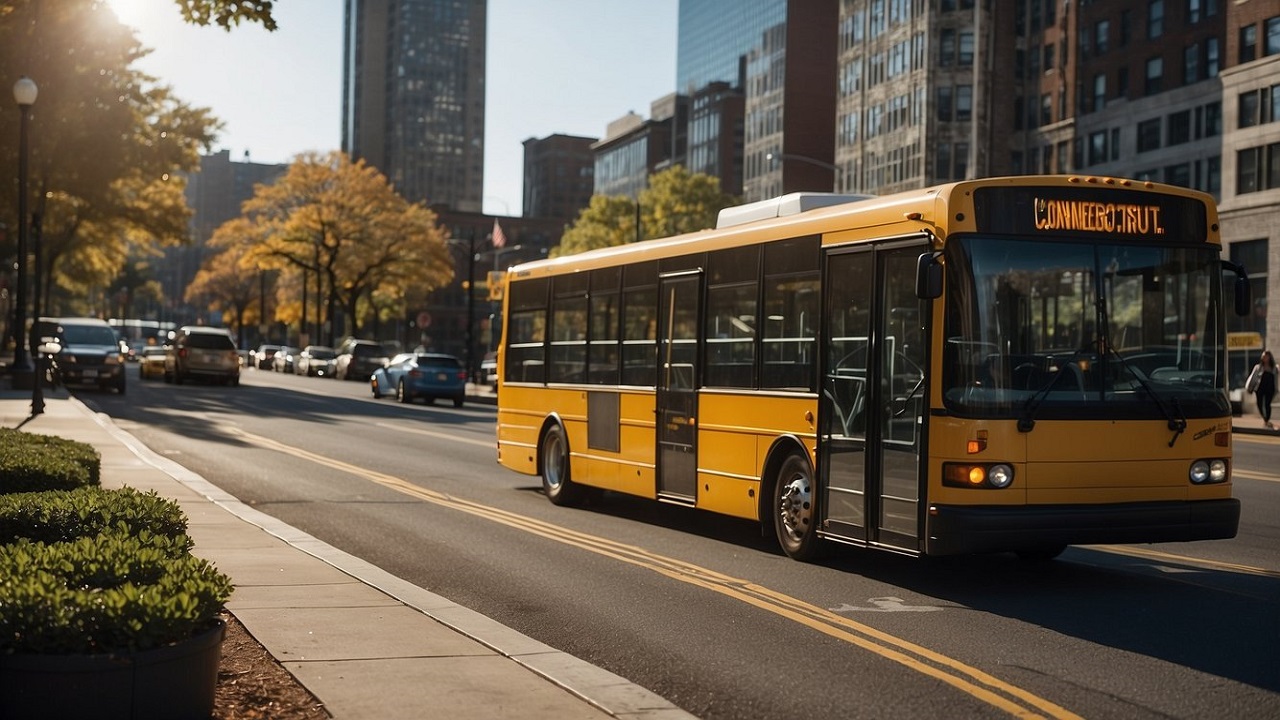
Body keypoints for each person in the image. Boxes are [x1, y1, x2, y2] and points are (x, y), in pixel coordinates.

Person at [1246, 349, 1278, 429]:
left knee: (1267, 404)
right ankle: (1265, 420)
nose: (1264, 358)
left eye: (1266, 356)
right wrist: (1250, 387)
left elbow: (1276, 379)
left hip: (1270, 388)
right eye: (1263, 356)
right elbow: (1253, 377)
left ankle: (1266, 420)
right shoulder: (1258, 367)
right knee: (1259, 404)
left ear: (1269, 358)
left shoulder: (1273, 368)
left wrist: (1276, 389)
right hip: (1260, 388)